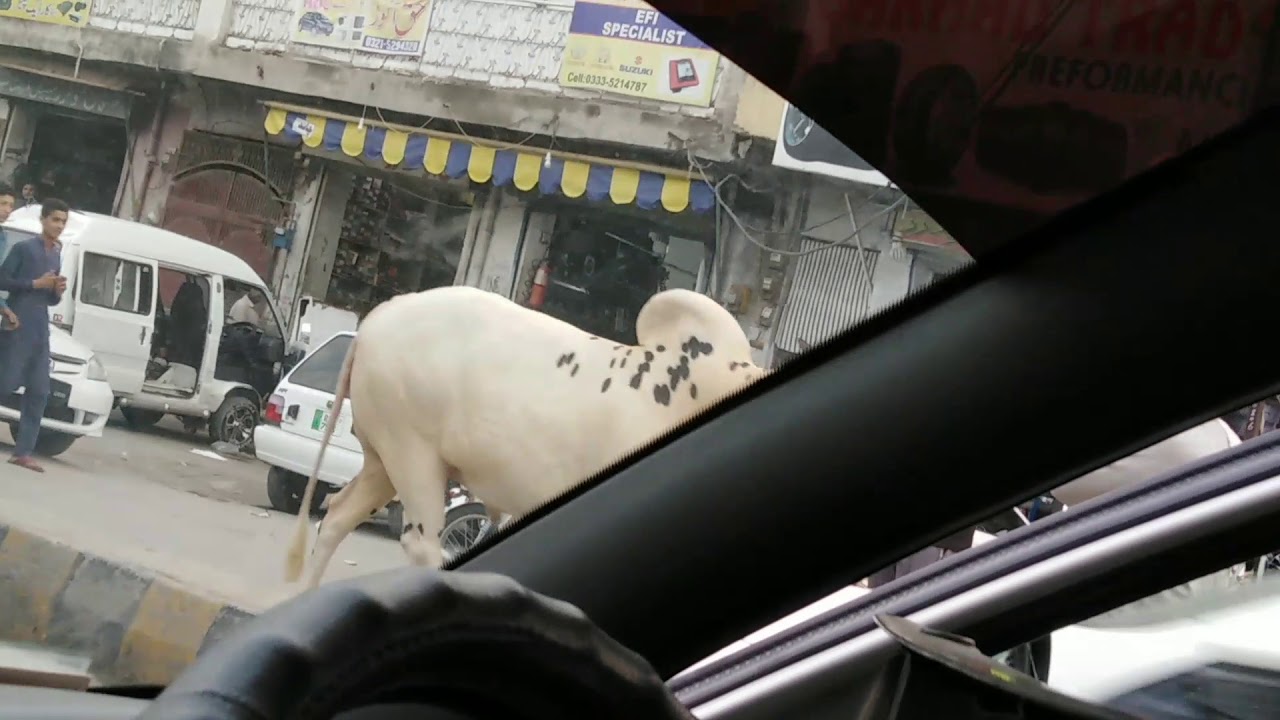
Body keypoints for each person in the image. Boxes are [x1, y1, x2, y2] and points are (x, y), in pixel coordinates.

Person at [0, 199, 68, 472]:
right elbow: (3, 281)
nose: (59, 226)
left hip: (40, 325)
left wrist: (56, 291)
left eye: (63, 222)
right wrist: (34, 283)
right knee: (6, 384)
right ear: (43, 220)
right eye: (55, 220)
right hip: (18, 321)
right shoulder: (23, 249)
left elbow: (50, 299)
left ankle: (23, 451)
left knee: (40, 390)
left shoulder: (56, 253)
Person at [0, 183, 22, 330]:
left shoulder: (3, 236)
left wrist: (4, 308)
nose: (8, 210)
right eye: (3, 204)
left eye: (11, 206)